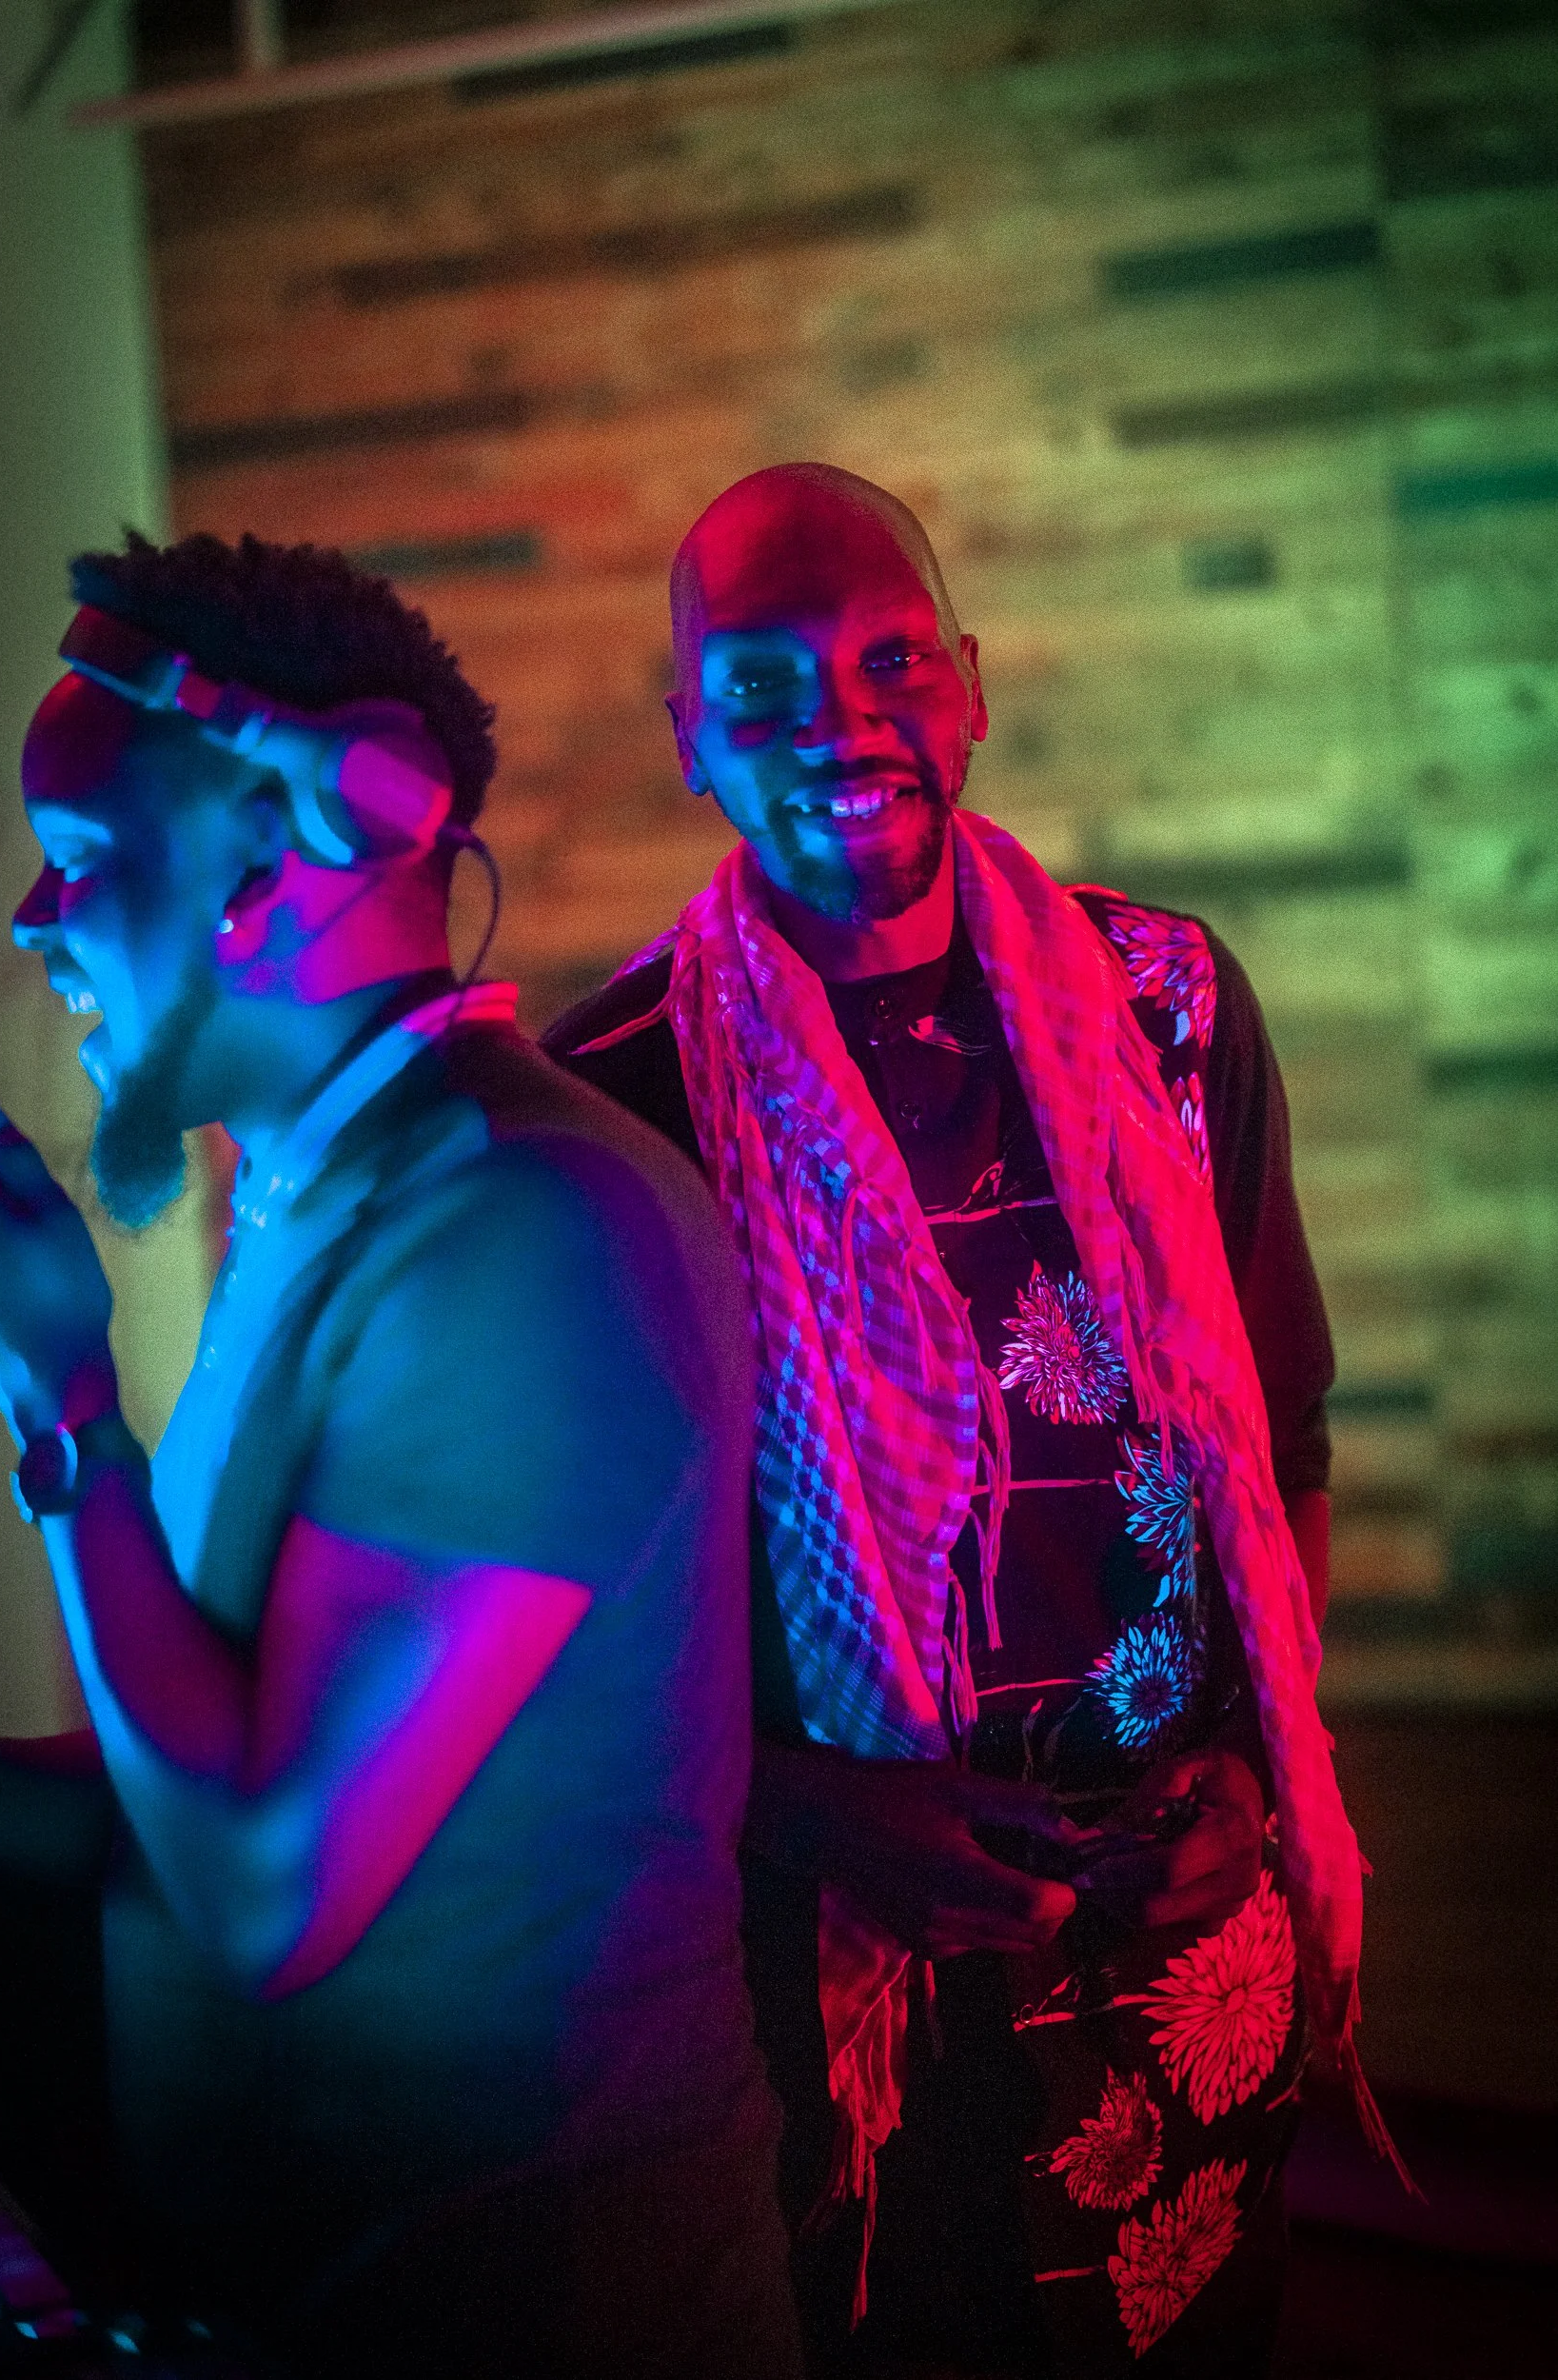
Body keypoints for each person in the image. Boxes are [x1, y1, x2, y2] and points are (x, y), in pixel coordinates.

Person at [543, 466, 1388, 2377]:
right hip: (842, 1981)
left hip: (1181, 1931)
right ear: (688, 740)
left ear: (973, 686)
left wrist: (1250, 1775)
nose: (839, 724)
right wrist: (825, 1810)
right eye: (761, 689)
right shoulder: (609, 1103)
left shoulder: (1166, 1002)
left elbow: (1285, 1440)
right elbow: (589, 1645)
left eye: (890, 661)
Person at [0, 531, 802, 2379]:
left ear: (286, 848)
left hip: (537, 2307)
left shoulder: (531, 1233)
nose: (36, 915)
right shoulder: (329, 1200)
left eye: (85, 854)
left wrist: (63, 1408)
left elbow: (266, 1884)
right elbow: (223, 1739)